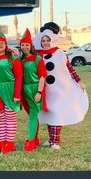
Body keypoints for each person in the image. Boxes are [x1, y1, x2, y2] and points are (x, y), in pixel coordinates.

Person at [33, 22, 89, 150]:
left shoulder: (60, 53)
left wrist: (79, 82)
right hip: (46, 90)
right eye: (43, 40)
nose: (45, 43)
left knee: (57, 113)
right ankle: (51, 138)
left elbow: (70, 69)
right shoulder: (37, 54)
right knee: (50, 113)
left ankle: (55, 141)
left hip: (60, 90)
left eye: (48, 40)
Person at [0, 33, 23, 153]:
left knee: (10, 117)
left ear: (5, 44)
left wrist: (17, 94)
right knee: (1, 119)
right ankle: (2, 143)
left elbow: (18, 76)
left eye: (1, 43)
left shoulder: (12, 58)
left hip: (9, 89)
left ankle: (10, 143)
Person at [19, 29, 47, 151]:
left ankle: (31, 140)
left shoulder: (37, 59)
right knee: (31, 115)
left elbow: (42, 76)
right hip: (25, 90)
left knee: (33, 115)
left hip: (35, 88)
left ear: (31, 46)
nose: (25, 47)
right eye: (23, 45)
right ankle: (34, 139)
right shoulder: (20, 60)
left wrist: (39, 92)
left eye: (27, 45)